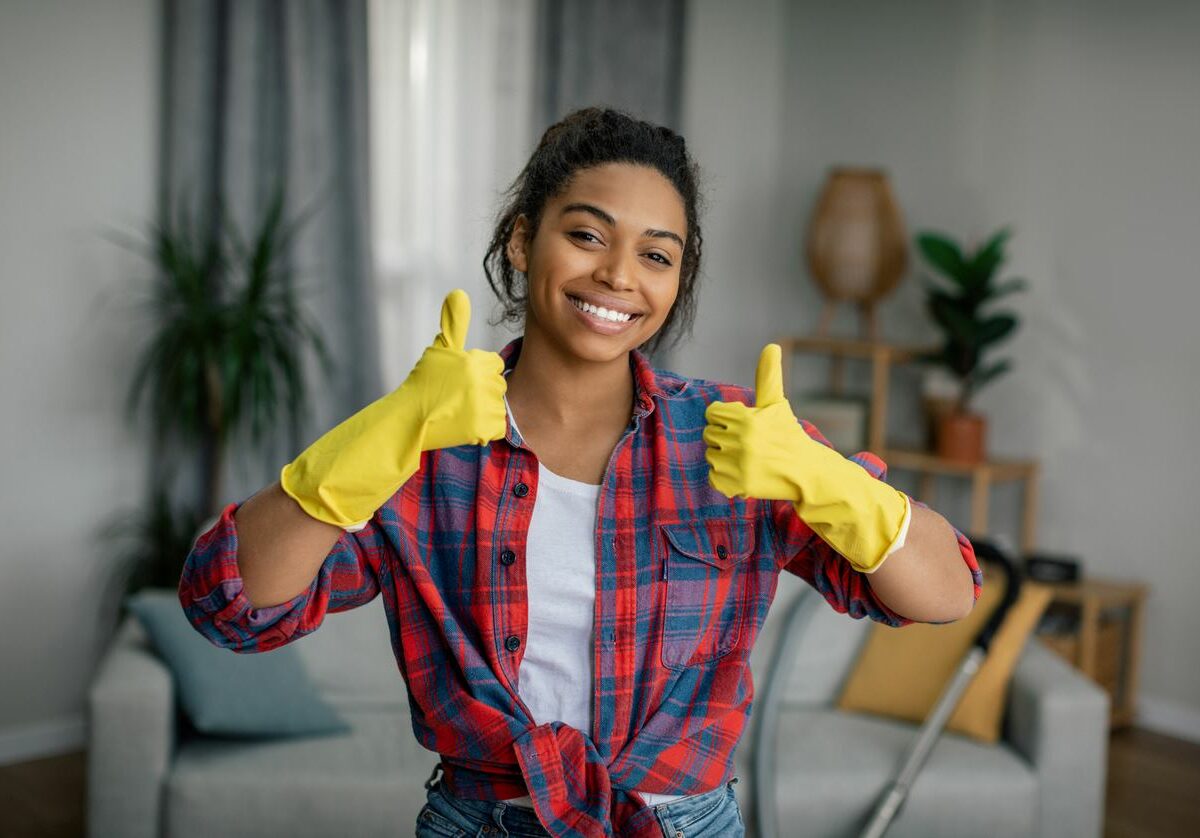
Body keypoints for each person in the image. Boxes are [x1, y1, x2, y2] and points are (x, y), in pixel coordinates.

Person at [179, 107, 981, 838]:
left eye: (657, 255)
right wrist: (386, 431)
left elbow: (948, 593)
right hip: (480, 821)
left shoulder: (737, 441)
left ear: (677, 281)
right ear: (524, 241)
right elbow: (230, 608)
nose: (619, 276)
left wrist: (823, 477)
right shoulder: (423, 447)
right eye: (588, 236)